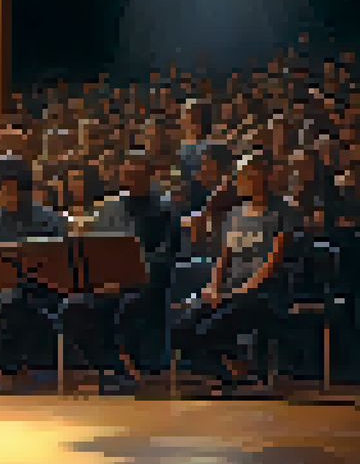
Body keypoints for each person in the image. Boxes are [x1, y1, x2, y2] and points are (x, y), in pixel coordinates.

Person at [172, 151, 296, 392]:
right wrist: (216, 288)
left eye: (246, 174)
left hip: (264, 291)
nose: (240, 180)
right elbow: (224, 259)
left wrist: (240, 291)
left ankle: (239, 370)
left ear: (263, 176)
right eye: (239, 175)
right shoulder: (235, 214)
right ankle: (233, 370)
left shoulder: (284, 211)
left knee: (210, 329)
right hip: (231, 290)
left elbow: (273, 262)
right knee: (182, 327)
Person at [56, 150, 179, 394]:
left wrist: (128, 278)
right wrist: (100, 280)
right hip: (109, 285)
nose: (131, 179)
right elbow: (98, 250)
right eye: (127, 174)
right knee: (73, 308)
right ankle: (112, 367)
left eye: (137, 174)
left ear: (149, 175)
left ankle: (137, 369)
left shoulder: (164, 210)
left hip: (147, 285)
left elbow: (166, 256)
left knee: (130, 307)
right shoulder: (110, 209)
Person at [0, 155, 68, 388]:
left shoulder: (49, 220)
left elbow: (59, 263)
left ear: (20, 187)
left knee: (12, 303)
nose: (0, 193)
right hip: (3, 290)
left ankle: (10, 374)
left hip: (45, 290)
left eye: (6, 187)